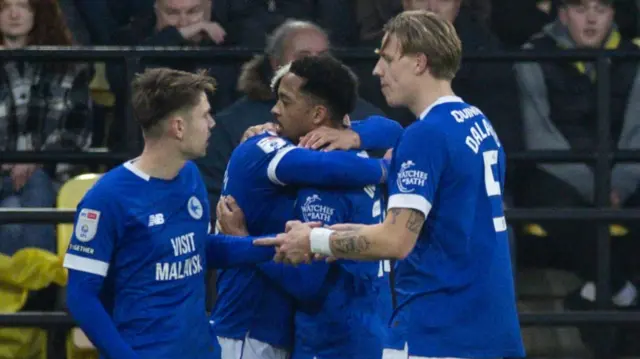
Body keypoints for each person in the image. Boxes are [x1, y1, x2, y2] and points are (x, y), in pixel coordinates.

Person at [256, 10, 525, 359]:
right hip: (491, 327)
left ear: (419, 62)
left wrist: (315, 240)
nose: (377, 70)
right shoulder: (476, 121)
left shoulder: (425, 135)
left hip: (439, 330)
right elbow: (431, 225)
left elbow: (396, 240)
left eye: (387, 58)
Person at [63, 68, 280, 359]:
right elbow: (80, 295)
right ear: (178, 127)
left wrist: (272, 246)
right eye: (205, 115)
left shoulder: (189, 176)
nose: (212, 123)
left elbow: (199, 247)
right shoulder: (107, 198)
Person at [211, 55, 399, 359]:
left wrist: (244, 240)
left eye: (285, 101)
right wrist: (387, 166)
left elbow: (306, 282)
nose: (273, 110)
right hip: (373, 327)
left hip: (324, 339)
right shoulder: (354, 154)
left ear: (317, 115)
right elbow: (393, 130)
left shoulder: (324, 181)